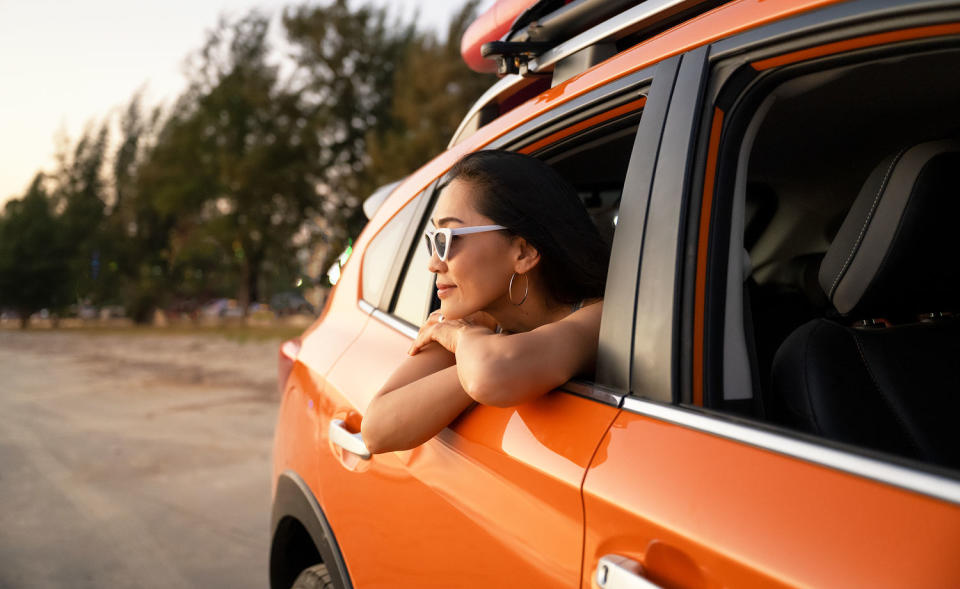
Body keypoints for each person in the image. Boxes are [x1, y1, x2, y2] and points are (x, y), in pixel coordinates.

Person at [360, 150, 610, 454]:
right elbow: (376, 430)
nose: (433, 264)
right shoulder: (477, 318)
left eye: (449, 239)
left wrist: (463, 339)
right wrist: (476, 351)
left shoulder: (599, 320)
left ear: (523, 252)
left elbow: (489, 374)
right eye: (434, 240)